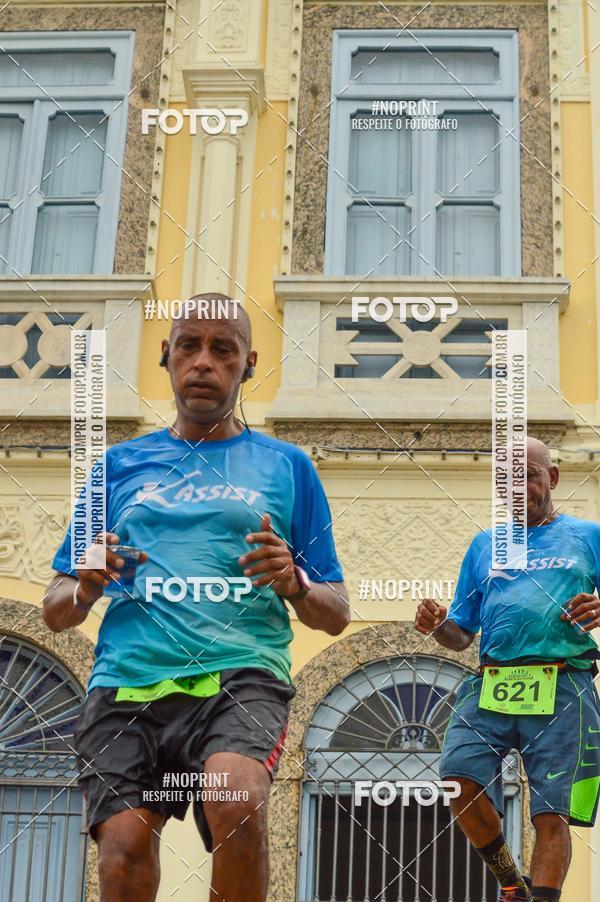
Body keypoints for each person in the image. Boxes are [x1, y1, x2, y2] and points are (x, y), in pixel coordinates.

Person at [43, 292, 350, 902]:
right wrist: (85, 584)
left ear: (248, 363)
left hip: (239, 674)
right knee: (123, 850)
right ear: (167, 356)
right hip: (128, 679)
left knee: (233, 797)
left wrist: (294, 581)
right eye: (189, 346)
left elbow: (336, 611)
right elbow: (54, 609)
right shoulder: (116, 466)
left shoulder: (288, 466)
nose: (203, 363)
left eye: (223, 350)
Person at [414, 437, 600, 902]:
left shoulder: (588, 536)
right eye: (507, 482)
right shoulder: (484, 546)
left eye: (529, 477)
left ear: (552, 478)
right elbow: (461, 633)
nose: (518, 490)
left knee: (550, 813)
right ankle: (510, 882)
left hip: (563, 683)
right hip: (492, 681)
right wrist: (439, 627)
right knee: (458, 776)